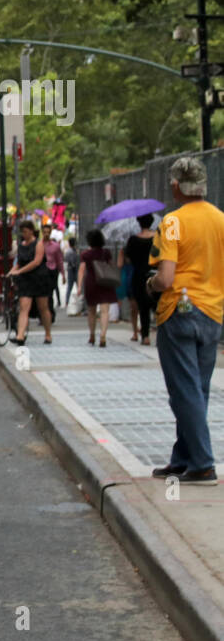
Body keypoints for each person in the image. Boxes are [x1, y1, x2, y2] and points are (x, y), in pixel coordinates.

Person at [147, 156, 224, 484]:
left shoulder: (173, 222)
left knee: (183, 390)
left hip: (178, 311)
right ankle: (184, 458)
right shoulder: (221, 219)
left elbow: (165, 278)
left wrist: (150, 284)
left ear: (176, 186)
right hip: (212, 312)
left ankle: (203, 463)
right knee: (196, 389)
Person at [7, 220, 53, 345]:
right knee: (24, 307)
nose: (24, 234)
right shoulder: (21, 245)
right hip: (26, 280)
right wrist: (11, 272)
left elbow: (37, 262)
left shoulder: (38, 244)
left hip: (39, 278)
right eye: (22, 232)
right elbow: (18, 262)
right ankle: (20, 335)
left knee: (43, 308)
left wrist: (20, 271)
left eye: (26, 232)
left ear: (32, 231)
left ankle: (48, 333)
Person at [120, 214, 156, 345]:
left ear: (139, 223)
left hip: (139, 275)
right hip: (155, 273)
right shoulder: (157, 238)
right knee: (157, 305)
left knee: (143, 306)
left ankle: (145, 336)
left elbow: (128, 259)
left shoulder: (133, 240)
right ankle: (161, 334)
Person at [78, 228, 117, 347]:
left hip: (91, 282)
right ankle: (103, 336)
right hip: (105, 281)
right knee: (105, 311)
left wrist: (79, 286)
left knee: (91, 311)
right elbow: (111, 266)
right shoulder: (106, 253)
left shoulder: (85, 254)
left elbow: (81, 270)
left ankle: (92, 335)